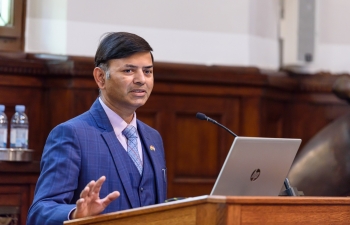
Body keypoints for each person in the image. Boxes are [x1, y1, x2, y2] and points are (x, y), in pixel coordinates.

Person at [27, 32, 167, 225]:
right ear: (100, 77)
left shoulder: (153, 138)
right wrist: (75, 214)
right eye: (128, 71)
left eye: (148, 71)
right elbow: (41, 210)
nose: (141, 79)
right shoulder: (72, 134)